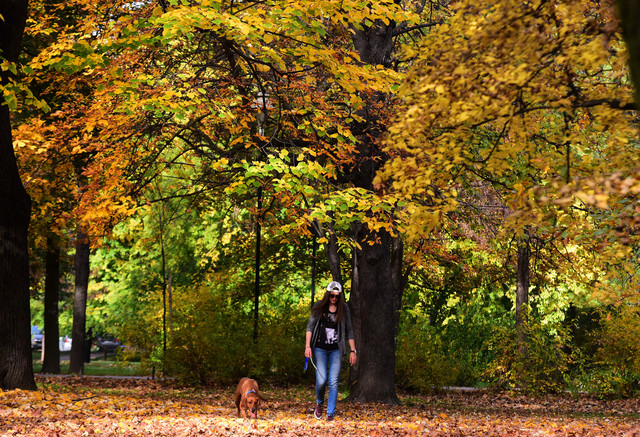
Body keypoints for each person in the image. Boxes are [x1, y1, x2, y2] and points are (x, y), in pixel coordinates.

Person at [305, 280, 356, 421]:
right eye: (332, 295)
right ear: (328, 295)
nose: (334, 298)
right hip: (319, 348)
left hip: (336, 351)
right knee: (321, 381)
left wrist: (353, 350)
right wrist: (307, 346)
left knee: (333, 382)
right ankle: (319, 403)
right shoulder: (319, 306)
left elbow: (349, 329)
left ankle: (330, 413)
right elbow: (310, 327)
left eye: (337, 296)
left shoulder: (344, 309)